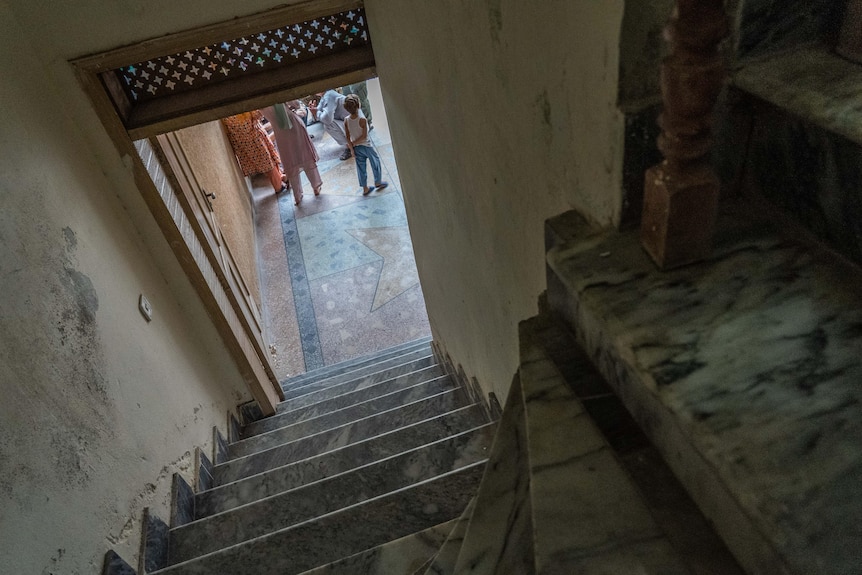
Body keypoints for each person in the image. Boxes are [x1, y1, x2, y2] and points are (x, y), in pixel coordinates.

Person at [261, 101, 322, 206]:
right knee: (304, 154)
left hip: (280, 133)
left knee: (290, 159)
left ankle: (297, 196)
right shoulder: (278, 93)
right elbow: (296, 104)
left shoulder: (258, 102)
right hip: (294, 125)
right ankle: (316, 186)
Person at [221, 111, 285, 194]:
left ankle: (280, 178)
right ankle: (278, 186)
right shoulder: (241, 113)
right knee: (269, 164)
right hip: (256, 141)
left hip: (247, 143)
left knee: (267, 164)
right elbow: (258, 114)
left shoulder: (226, 118)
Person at [343, 94, 388, 196]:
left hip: (356, 149)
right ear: (358, 105)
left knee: (361, 167)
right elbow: (364, 136)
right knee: (375, 162)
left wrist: (351, 148)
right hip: (367, 146)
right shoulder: (362, 119)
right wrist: (354, 143)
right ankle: (378, 182)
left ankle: (365, 188)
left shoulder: (346, 120)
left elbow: (347, 136)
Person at [308, 89, 352, 160]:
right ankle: (350, 143)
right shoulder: (325, 96)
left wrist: (316, 112)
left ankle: (350, 147)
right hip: (348, 123)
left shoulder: (329, 95)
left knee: (329, 125)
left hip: (355, 124)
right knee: (327, 122)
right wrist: (314, 111)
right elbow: (316, 117)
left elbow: (327, 119)